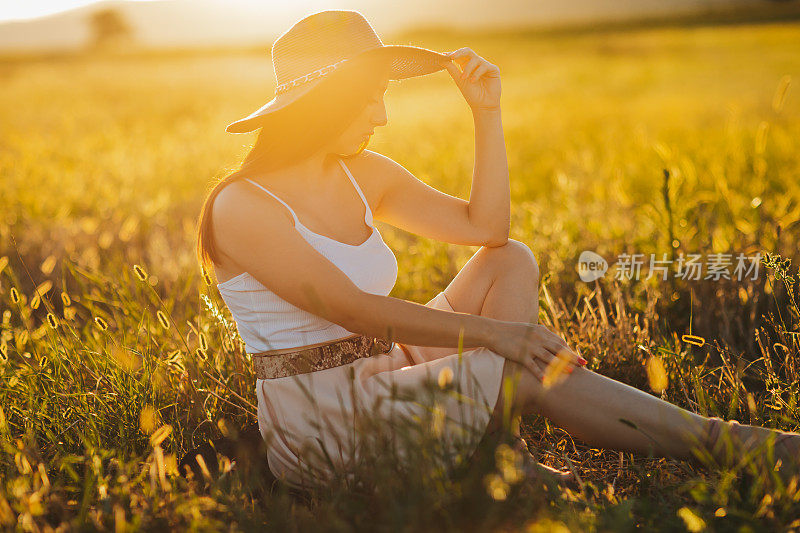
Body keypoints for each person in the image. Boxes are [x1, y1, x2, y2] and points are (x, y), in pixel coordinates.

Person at [193, 10, 800, 492]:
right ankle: (737, 445)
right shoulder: (242, 205)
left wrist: (486, 114)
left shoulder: (361, 173)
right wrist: (494, 338)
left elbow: (488, 228)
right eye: (370, 97)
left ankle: (497, 450)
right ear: (325, 101)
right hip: (325, 423)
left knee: (511, 260)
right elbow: (351, 308)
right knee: (512, 362)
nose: (382, 113)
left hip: (386, 367)